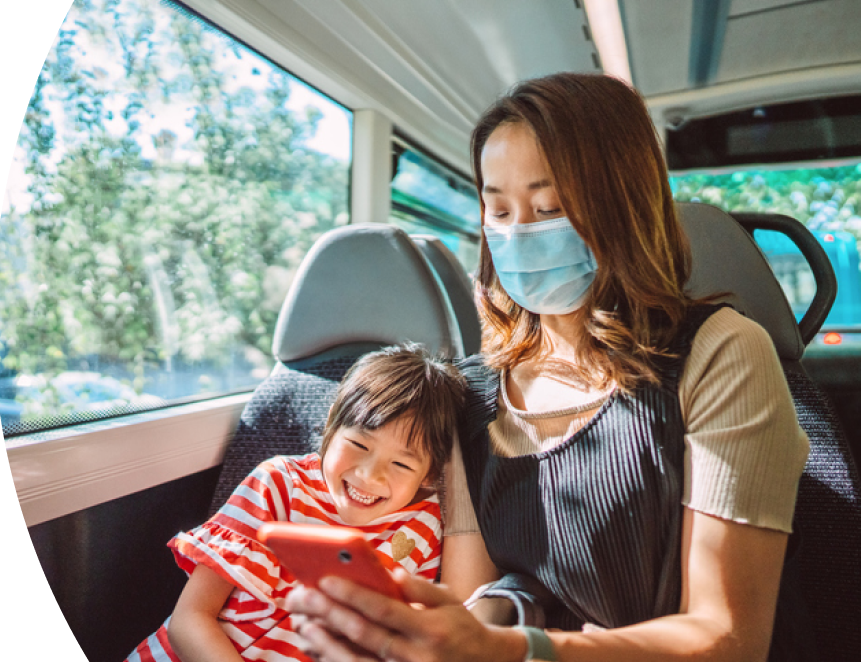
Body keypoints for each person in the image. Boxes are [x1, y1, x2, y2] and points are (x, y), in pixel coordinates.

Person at [283, 73, 813, 661]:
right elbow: (474, 600)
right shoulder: (474, 391)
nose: (519, 234)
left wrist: (518, 651)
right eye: (498, 209)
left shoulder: (722, 354)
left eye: (550, 207)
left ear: (624, 206)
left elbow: (728, 639)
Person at [126, 343, 467, 662]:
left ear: (429, 473)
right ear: (333, 425)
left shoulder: (424, 527)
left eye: (401, 464)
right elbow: (189, 620)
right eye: (359, 445)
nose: (369, 475)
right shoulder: (278, 485)